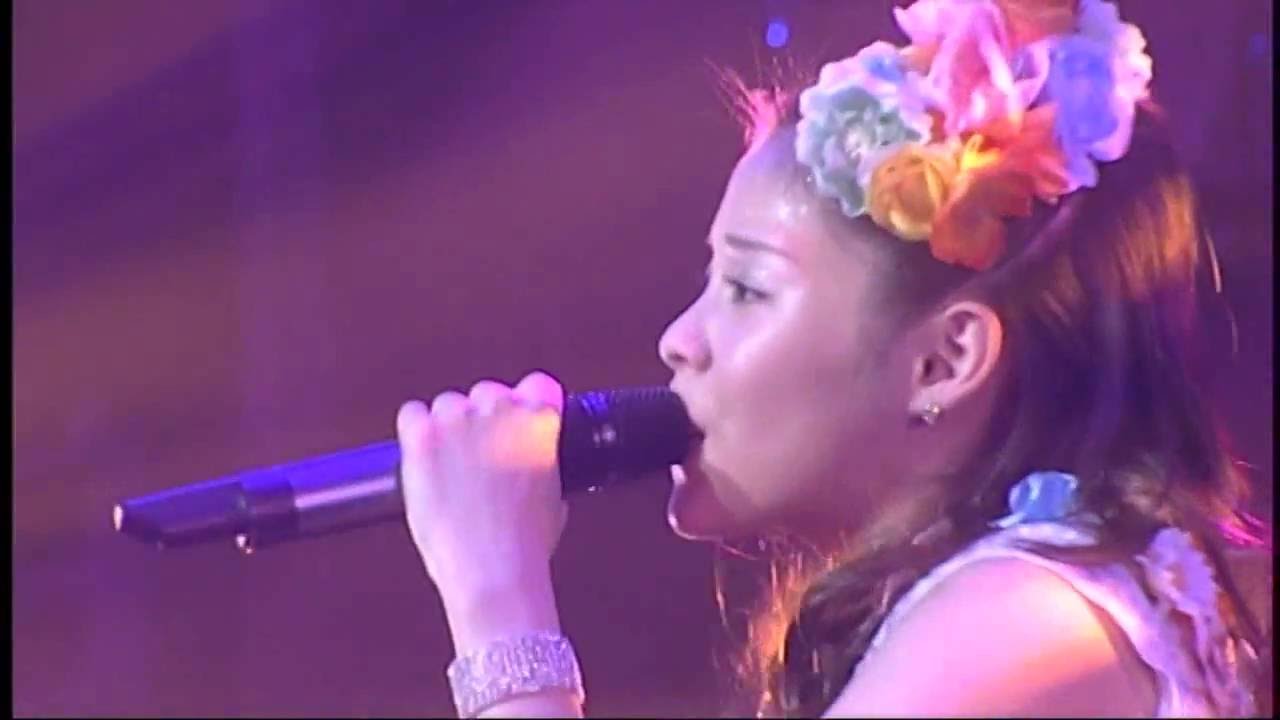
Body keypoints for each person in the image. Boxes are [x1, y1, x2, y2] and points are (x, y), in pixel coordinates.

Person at [393, 0, 1271, 716]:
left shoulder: (1026, 620)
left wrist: (498, 601)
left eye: (747, 289)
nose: (680, 340)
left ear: (944, 361)